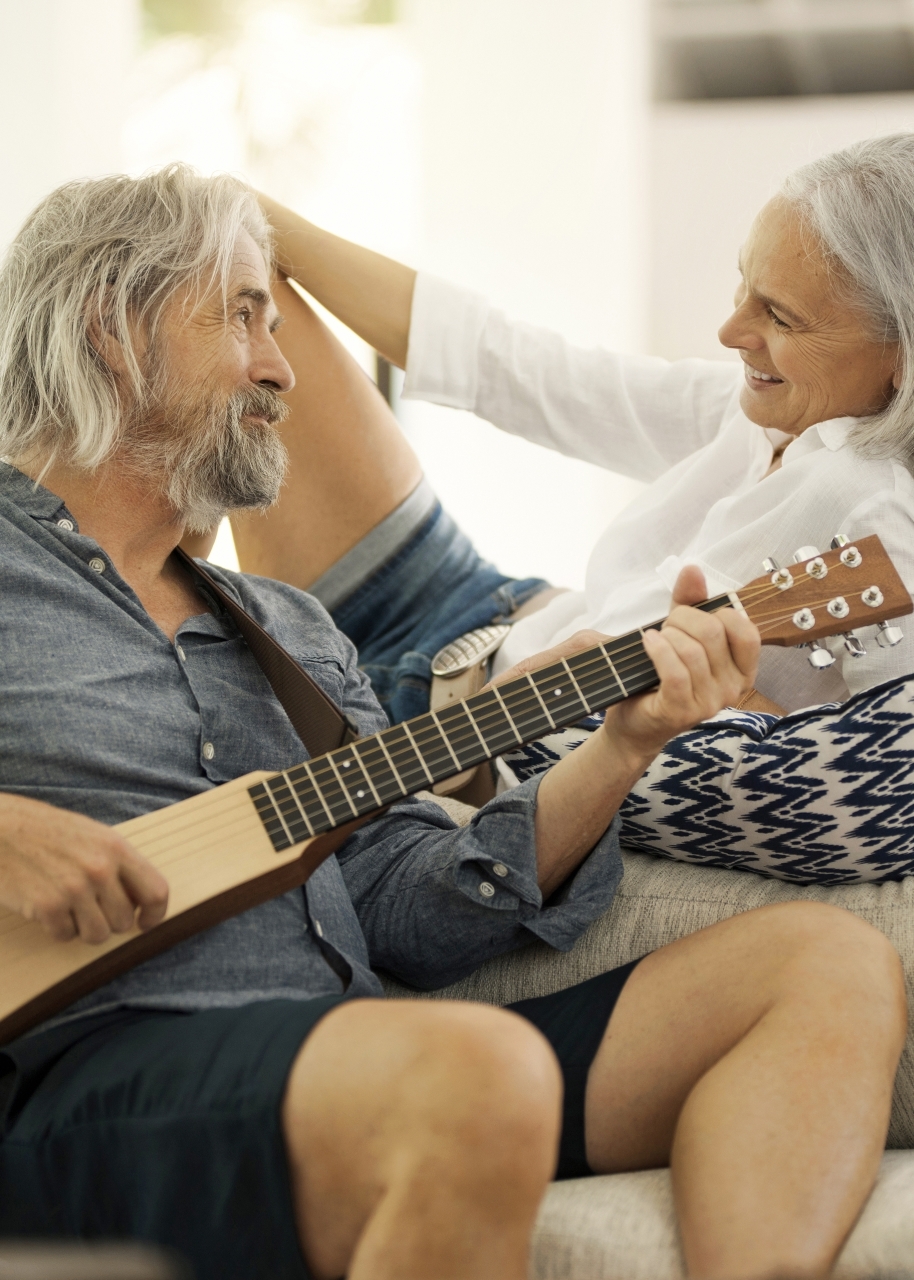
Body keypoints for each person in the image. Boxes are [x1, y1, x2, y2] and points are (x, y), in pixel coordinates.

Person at [0, 166, 905, 1280]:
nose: (284, 368)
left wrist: (620, 747)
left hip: (342, 1043)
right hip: (83, 1068)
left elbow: (399, 911)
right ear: (113, 324)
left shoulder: (291, 633)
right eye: (244, 315)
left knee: (828, 965)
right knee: (472, 1071)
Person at [224, 132, 914, 875]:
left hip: (443, 730)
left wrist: (730, 706)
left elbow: (881, 792)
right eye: (741, 286)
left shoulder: (882, 525)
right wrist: (249, 210)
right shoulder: (752, 407)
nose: (731, 331)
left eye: (780, 317)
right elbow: (518, 369)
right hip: (471, 602)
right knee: (224, 269)